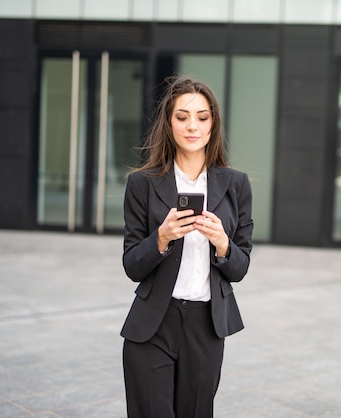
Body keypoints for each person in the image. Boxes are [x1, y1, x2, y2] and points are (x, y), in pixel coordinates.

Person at [120, 75, 253, 418]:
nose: (192, 126)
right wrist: (160, 238)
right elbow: (132, 265)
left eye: (202, 117)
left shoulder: (236, 185)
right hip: (153, 324)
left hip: (206, 326)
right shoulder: (142, 184)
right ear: (169, 123)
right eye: (182, 117)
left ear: (213, 124)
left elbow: (240, 268)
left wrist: (223, 244)